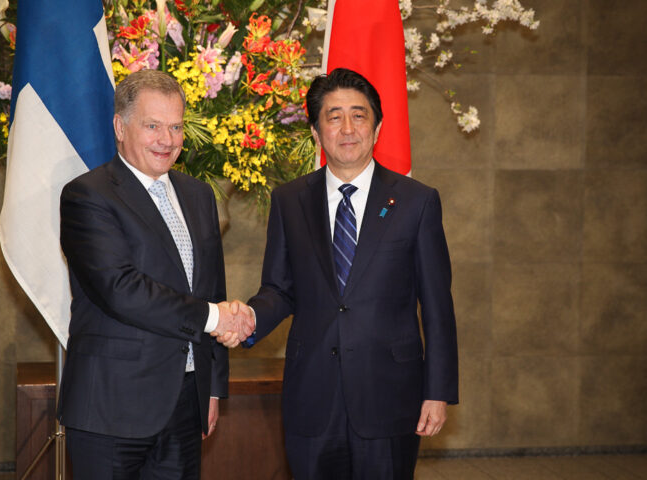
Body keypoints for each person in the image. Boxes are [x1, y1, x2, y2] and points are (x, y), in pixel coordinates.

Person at [229, 68, 459, 479]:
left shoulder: (416, 202)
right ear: (317, 133)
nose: (347, 128)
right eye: (334, 117)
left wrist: (437, 391)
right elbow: (279, 290)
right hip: (312, 395)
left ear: (377, 128)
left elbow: (438, 306)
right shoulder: (289, 200)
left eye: (359, 115)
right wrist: (249, 319)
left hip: (390, 394)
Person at [57, 69, 250, 479]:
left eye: (176, 127)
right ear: (120, 127)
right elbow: (120, 289)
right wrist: (217, 318)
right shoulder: (87, 195)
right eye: (153, 126)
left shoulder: (198, 195)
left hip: (184, 407)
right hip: (110, 409)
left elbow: (212, 287)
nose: (167, 140)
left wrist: (212, 387)